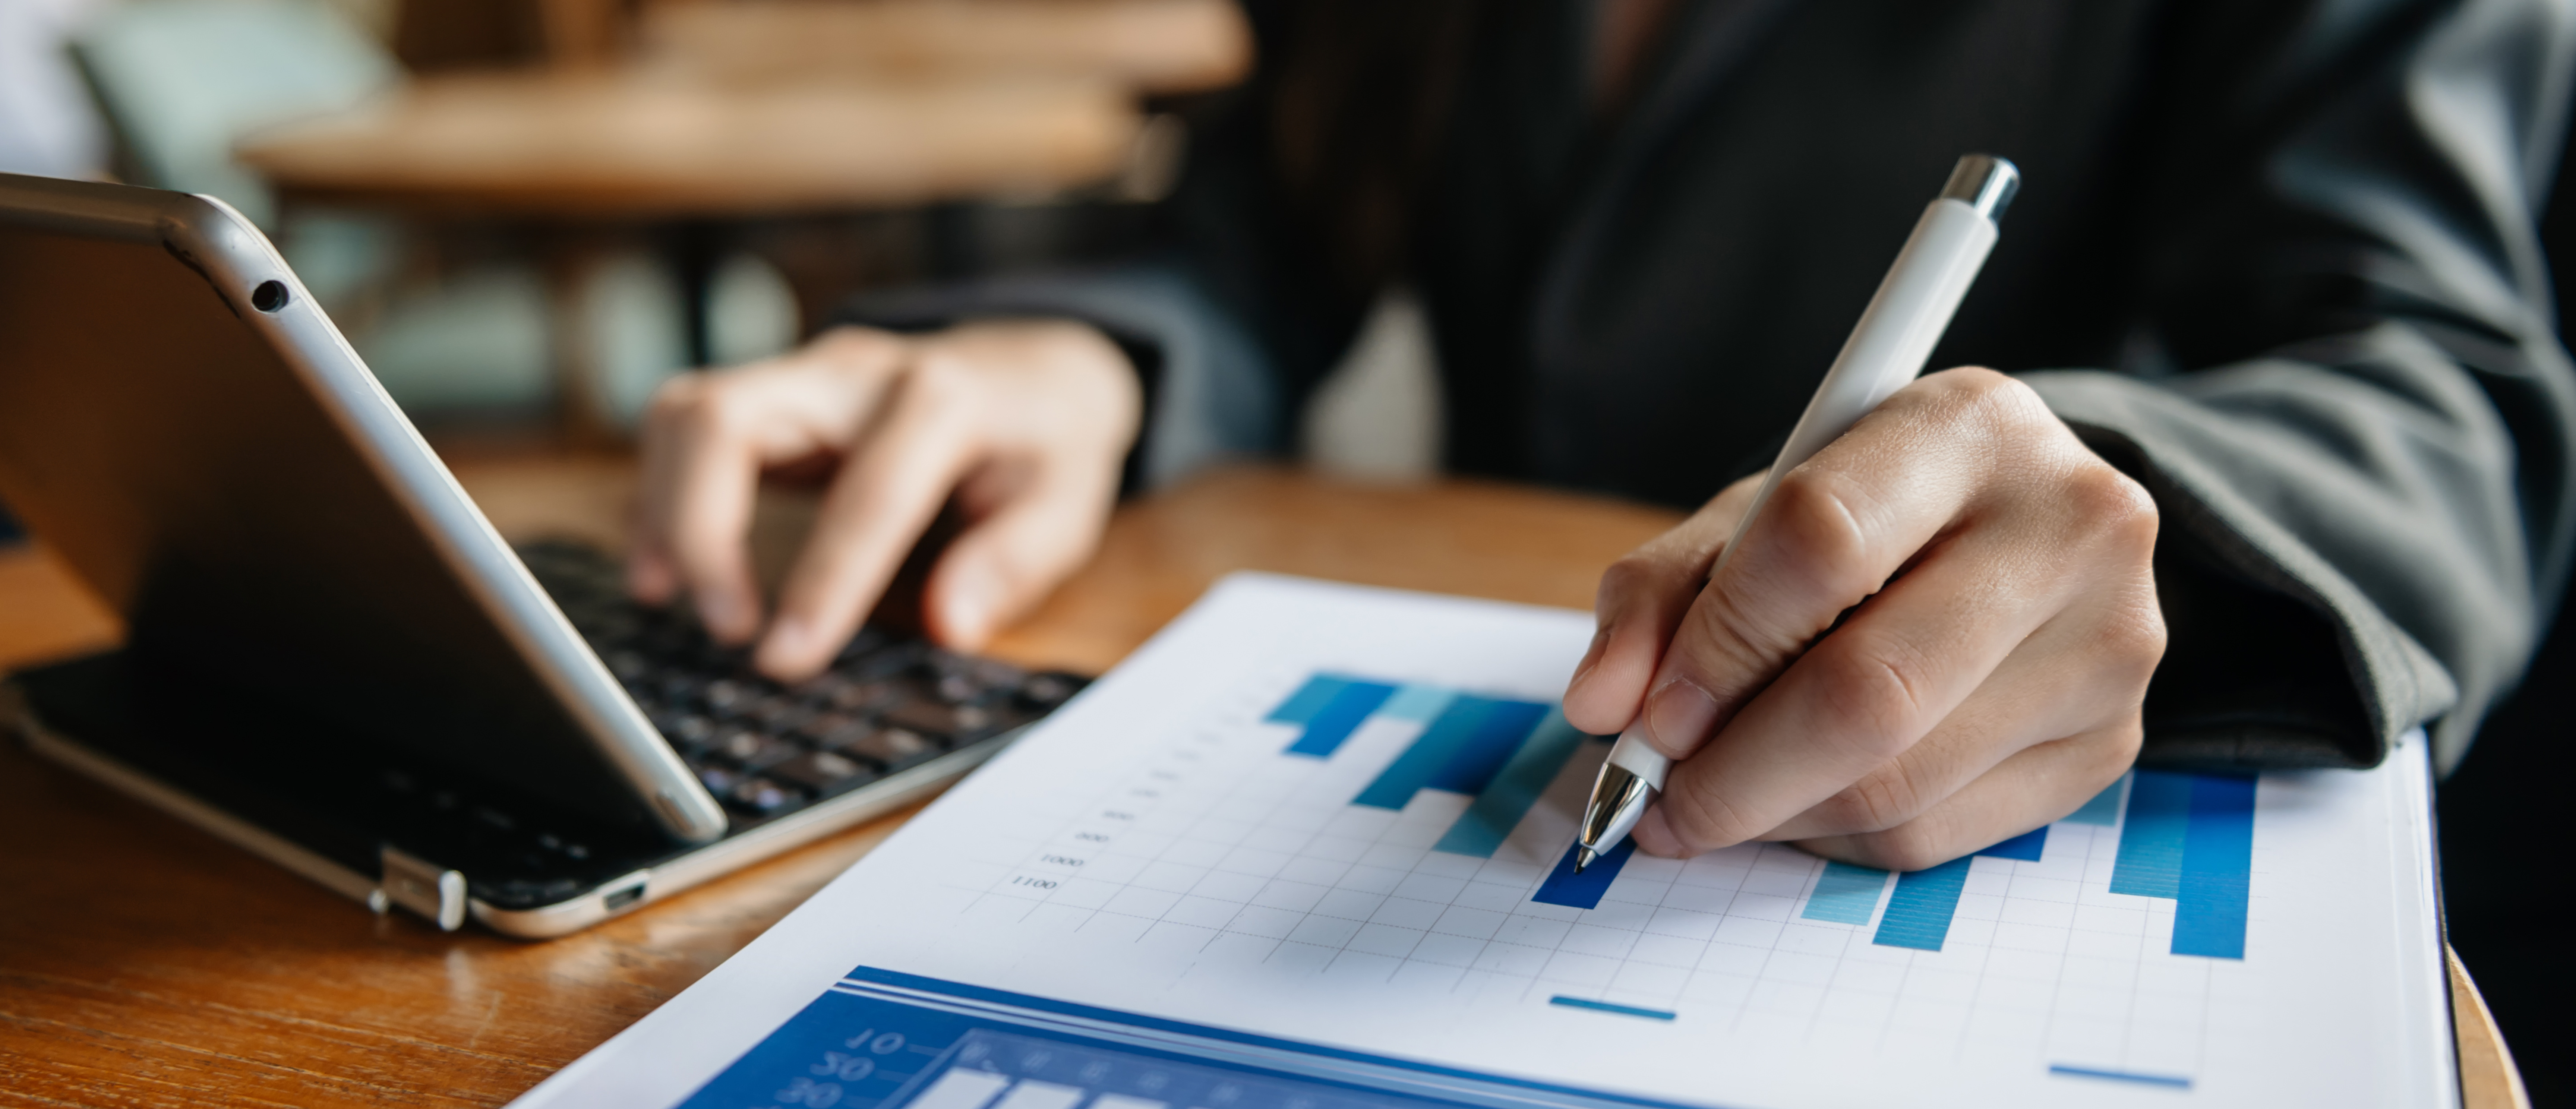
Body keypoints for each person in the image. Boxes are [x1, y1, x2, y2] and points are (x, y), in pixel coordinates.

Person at [625, 0, 2576, 873]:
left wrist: (2123, 495)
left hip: (1975, 816)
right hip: (1526, 718)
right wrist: (1089, 354)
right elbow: (1275, 215)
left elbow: (2443, 393)